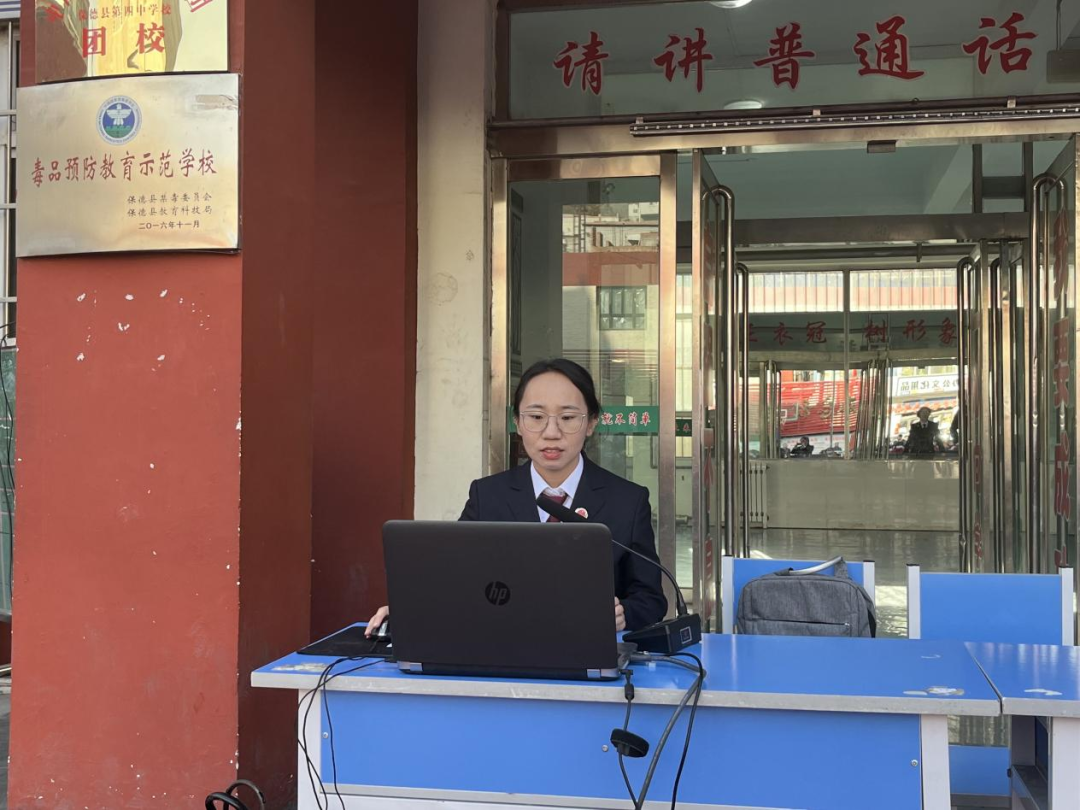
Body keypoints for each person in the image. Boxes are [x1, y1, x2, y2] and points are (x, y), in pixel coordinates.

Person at [366, 358, 668, 635]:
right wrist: (412, 608)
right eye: (536, 416)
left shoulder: (627, 501)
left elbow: (651, 599)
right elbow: (454, 579)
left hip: (591, 653)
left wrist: (623, 615)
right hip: (504, 648)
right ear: (517, 422)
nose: (551, 432)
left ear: (591, 423)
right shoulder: (488, 495)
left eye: (567, 417)